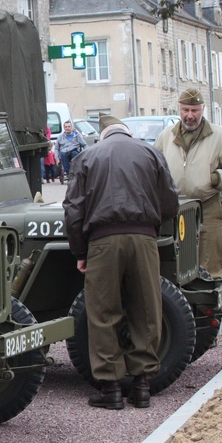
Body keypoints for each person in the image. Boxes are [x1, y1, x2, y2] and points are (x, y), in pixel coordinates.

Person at [63, 114, 179, 410]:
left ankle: (110, 388)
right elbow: (169, 202)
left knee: (103, 313)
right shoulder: (152, 153)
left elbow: (74, 210)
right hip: (144, 239)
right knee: (146, 308)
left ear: (102, 136)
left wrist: (80, 252)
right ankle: (142, 385)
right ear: (127, 133)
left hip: (102, 241)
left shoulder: (87, 157)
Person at [154, 89, 222, 278]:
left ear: (202, 109)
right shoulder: (166, 137)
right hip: (174, 211)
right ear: (179, 109)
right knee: (175, 263)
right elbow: (153, 168)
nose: (190, 116)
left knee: (210, 261)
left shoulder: (219, 135)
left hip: (207, 208)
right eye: (185, 110)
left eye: (195, 110)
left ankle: (210, 300)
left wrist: (215, 179)